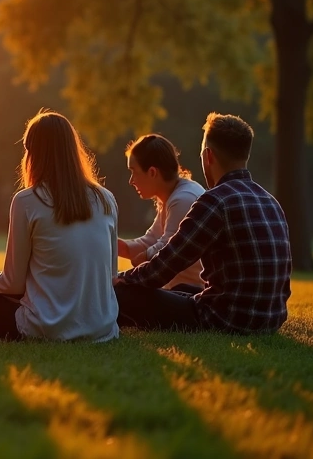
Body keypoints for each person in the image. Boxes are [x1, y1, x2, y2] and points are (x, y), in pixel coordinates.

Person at [116, 113, 292, 334]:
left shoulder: (215, 201)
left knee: (125, 293)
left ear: (207, 156)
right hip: (271, 319)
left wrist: (119, 280)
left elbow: (164, 266)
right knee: (183, 289)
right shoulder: (270, 201)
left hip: (224, 318)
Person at [0, 112, 119, 342]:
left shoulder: (27, 201)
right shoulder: (106, 199)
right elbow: (112, 276)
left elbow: (12, 284)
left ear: (32, 154)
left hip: (44, 329)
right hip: (103, 330)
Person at [118, 134, 205, 292]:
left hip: (193, 293)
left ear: (152, 172)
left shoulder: (183, 199)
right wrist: (113, 245)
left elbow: (166, 248)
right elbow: (151, 240)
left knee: (123, 293)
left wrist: (140, 259)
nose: (131, 180)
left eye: (133, 171)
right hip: (182, 291)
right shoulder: (171, 196)